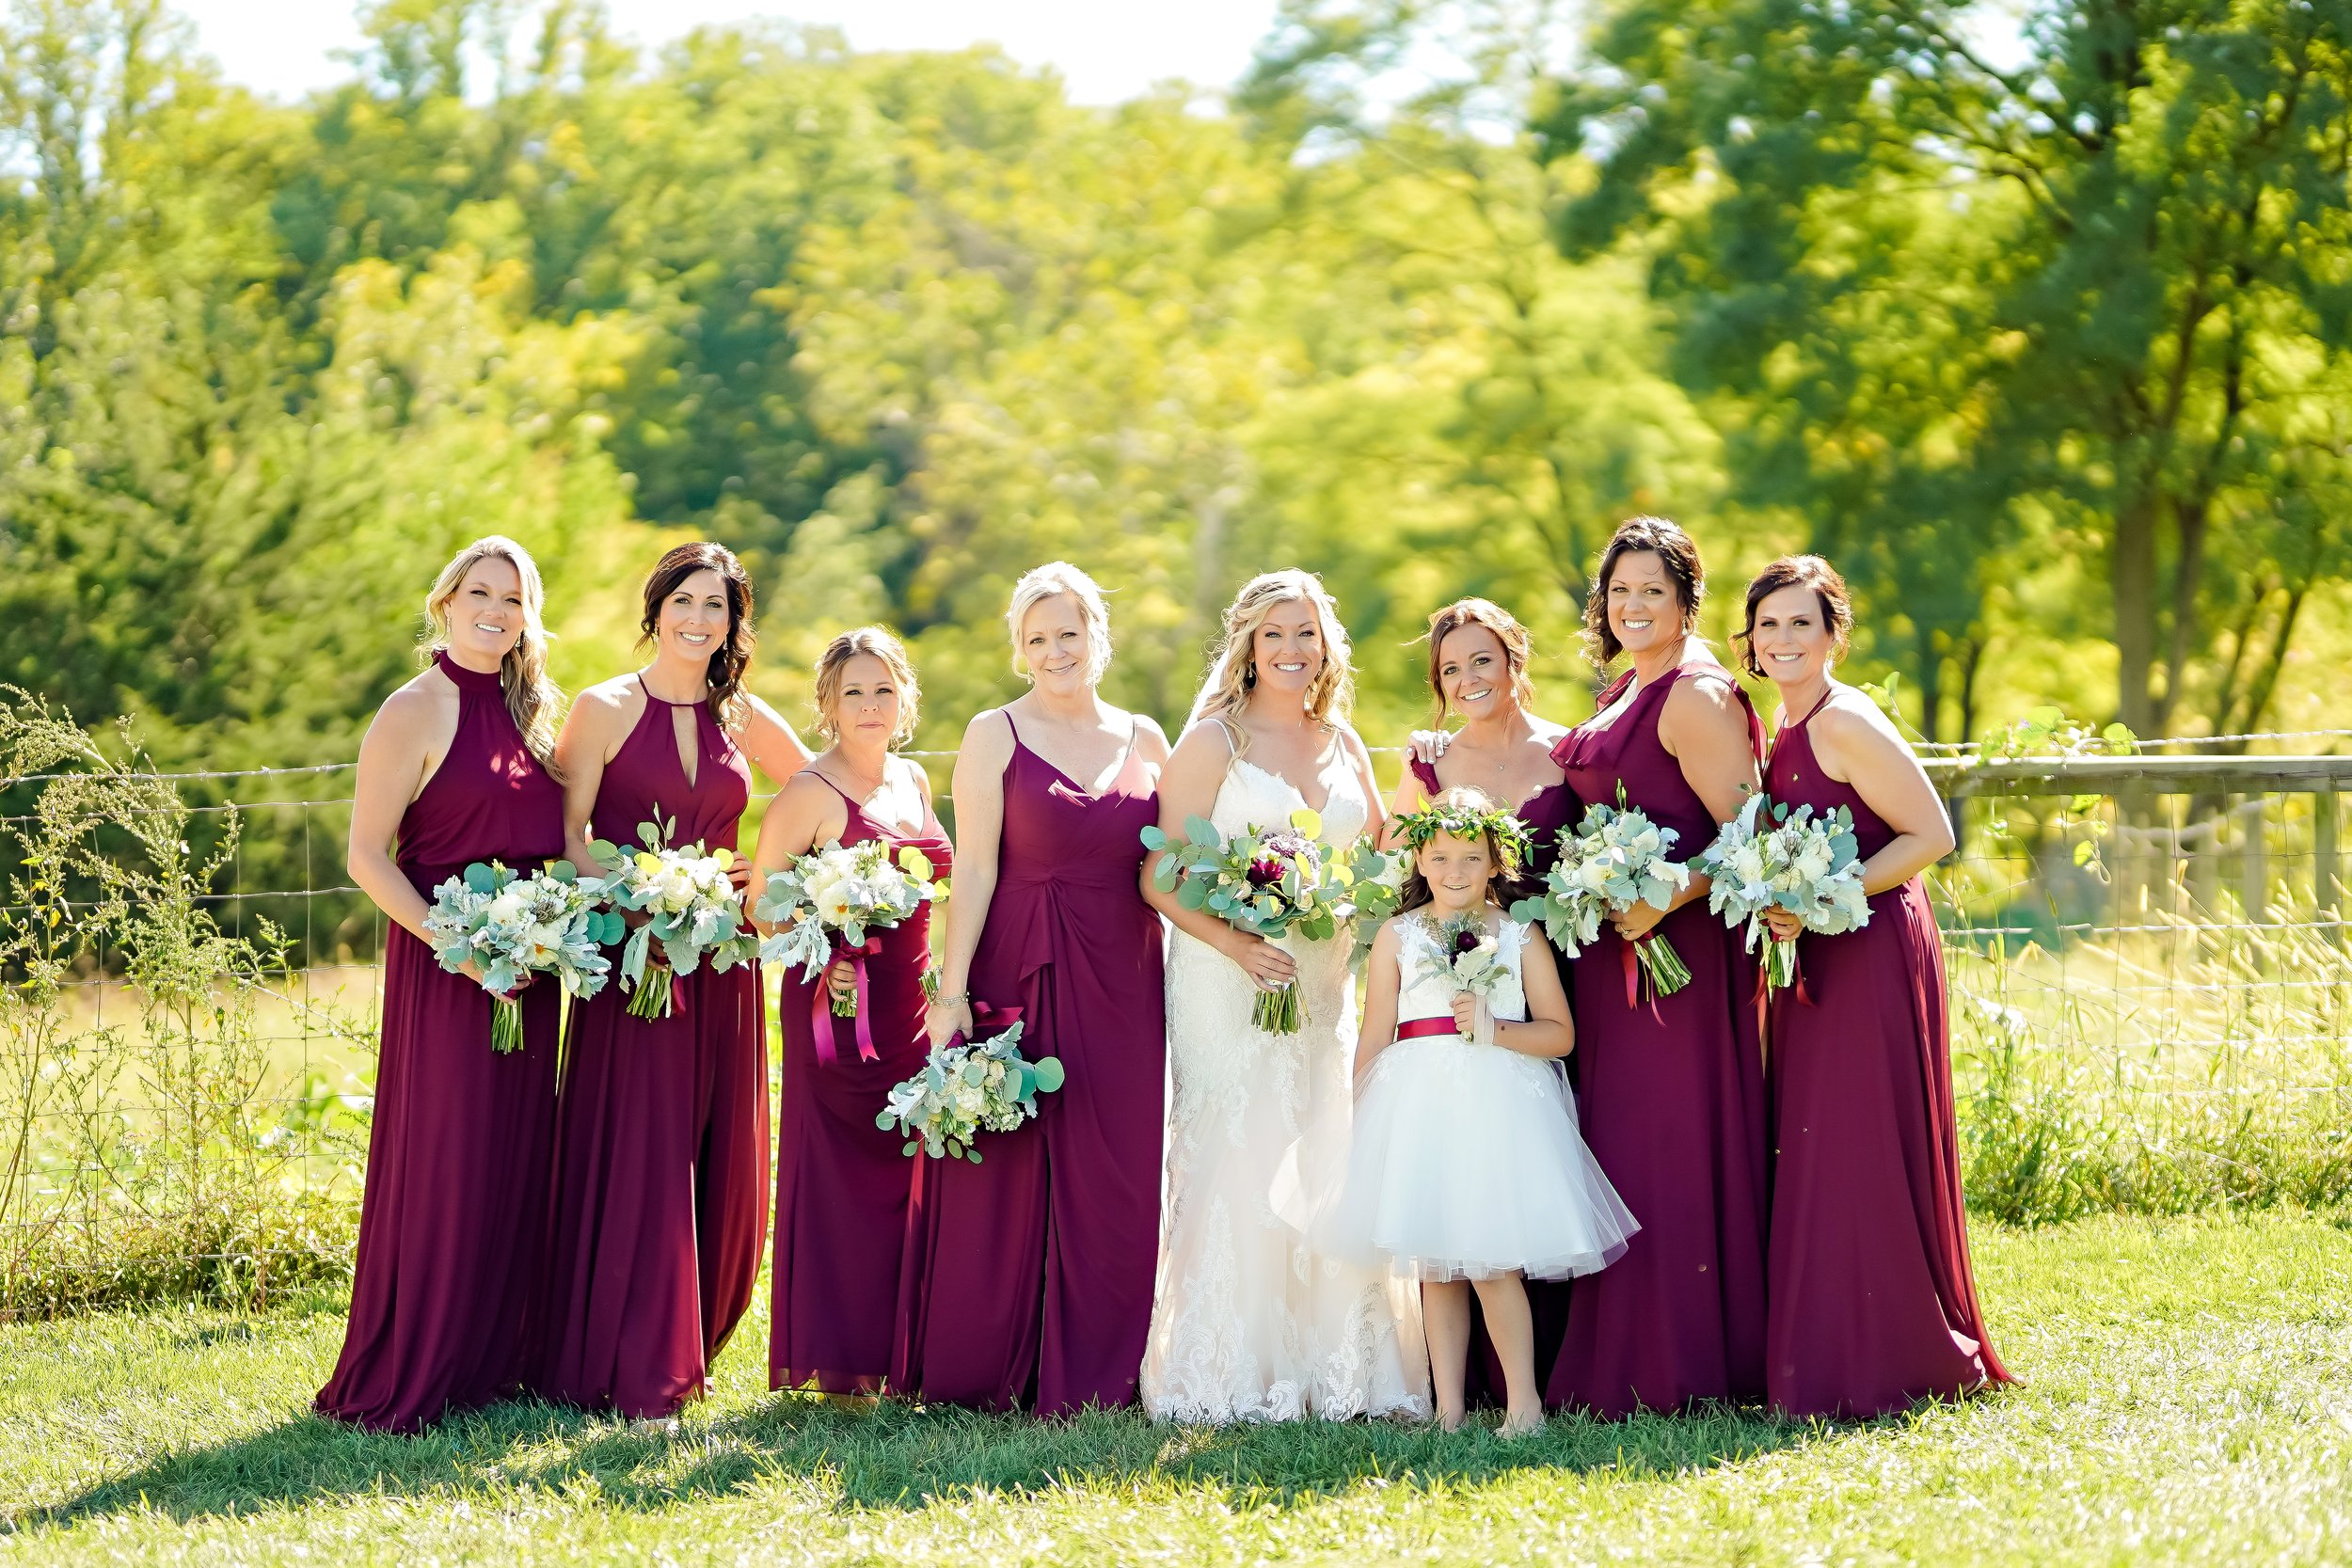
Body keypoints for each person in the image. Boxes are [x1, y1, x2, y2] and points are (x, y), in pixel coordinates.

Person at [1138, 569, 1429, 1423]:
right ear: (1248, 646)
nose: (1293, 650)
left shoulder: (1341, 740)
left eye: (1307, 633)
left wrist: (1428, 768)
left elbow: (1379, 849)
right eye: (1275, 634)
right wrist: (1237, 940)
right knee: (1239, 1148)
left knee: (1322, 1143)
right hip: (1225, 978)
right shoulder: (1214, 742)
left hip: (1321, 981)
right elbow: (1159, 872)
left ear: (1327, 644)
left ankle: (1335, 1364)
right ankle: (1230, 1364)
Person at [533, 542, 810, 1418]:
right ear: (654, 609)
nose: (698, 620)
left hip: (722, 963)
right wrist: (638, 899)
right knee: (639, 1147)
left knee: (716, 1144)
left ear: (735, 623)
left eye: (716, 607)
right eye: (684, 601)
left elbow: (820, 796)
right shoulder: (605, 706)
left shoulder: (744, 716)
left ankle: (695, 1332)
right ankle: (626, 1347)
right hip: (632, 960)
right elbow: (568, 836)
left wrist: (757, 881)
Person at [1740, 554, 2012, 1418]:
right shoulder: (1784, 723)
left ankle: (1894, 1350)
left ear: (1832, 636)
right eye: (1769, 623)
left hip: (1868, 951)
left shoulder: (1843, 721)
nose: (1783, 638)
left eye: (1801, 623)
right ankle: (1828, 1343)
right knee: (1821, 1137)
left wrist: (1822, 904)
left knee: (1857, 1136)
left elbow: (1930, 833)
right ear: (1748, 639)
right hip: (1817, 951)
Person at [896, 562, 1170, 1414]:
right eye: (1038, 637)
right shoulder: (993, 732)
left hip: (1125, 972)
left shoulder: (1149, 738)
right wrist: (950, 993)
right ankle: (991, 1364)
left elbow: (1174, 863)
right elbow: (973, 867)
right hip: (1017, 957)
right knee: (1007, 1160)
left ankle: (1105, 1368)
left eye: (1070, 632)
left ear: (1098, 635)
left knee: (1118, 1165)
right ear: (1020, 648)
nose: (1057, 650)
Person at [1278, 789, 1634, 1436]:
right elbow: (1376, 1031)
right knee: (1436, 1264)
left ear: (1497, 861)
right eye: (1440, 856)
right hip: (1416, 1105)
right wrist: (1364, 1108)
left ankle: (1524, 1404)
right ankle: (1449, 1409)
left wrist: (1498, 1030)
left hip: (1496, 1106)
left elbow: (1559, 1033)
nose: (1456, 871)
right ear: (1419, 858)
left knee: (1492, 1261)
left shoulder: (1519, 934)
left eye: (1473, 857)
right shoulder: (1397, 933)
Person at [317, 536, 568, 1433]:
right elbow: (366, 856)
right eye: (479, 592)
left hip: (532, 977)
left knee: (518, 1154)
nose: (495, 610)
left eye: (513, 597)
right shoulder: (411, 709)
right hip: (447, 973)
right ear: (446, 600)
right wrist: (453, 944)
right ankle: (423, 1357)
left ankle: (499, 1358)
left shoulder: (537, 712)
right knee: (449, 1158)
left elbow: (563, 846)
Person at [1545, 515, 1772, 1418]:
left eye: (1653, 591)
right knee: (1618, 1148)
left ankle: (1676, 1358)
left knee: (1666, 1149)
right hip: (1614, 961)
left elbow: (1749, 829)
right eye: (1620, 590)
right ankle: (1615, 1350)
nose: (1633, 605)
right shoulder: (1626, 686)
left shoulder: (1697, 693)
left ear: (1686, 603)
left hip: (1676, 958)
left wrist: (1661, 898)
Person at [755, 627, 952, 1398]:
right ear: (829, 706)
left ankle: (900, 1351)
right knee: (843, 1179)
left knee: (910, 1171)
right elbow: (762, 903)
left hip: (912, 1006)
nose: (870, 705)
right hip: (835, 1010)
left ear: (905, 699)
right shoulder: (809, 790)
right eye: (853, 693)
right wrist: (825, 953)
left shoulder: (913, 781)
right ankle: (840, 1367)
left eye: (884, 689)